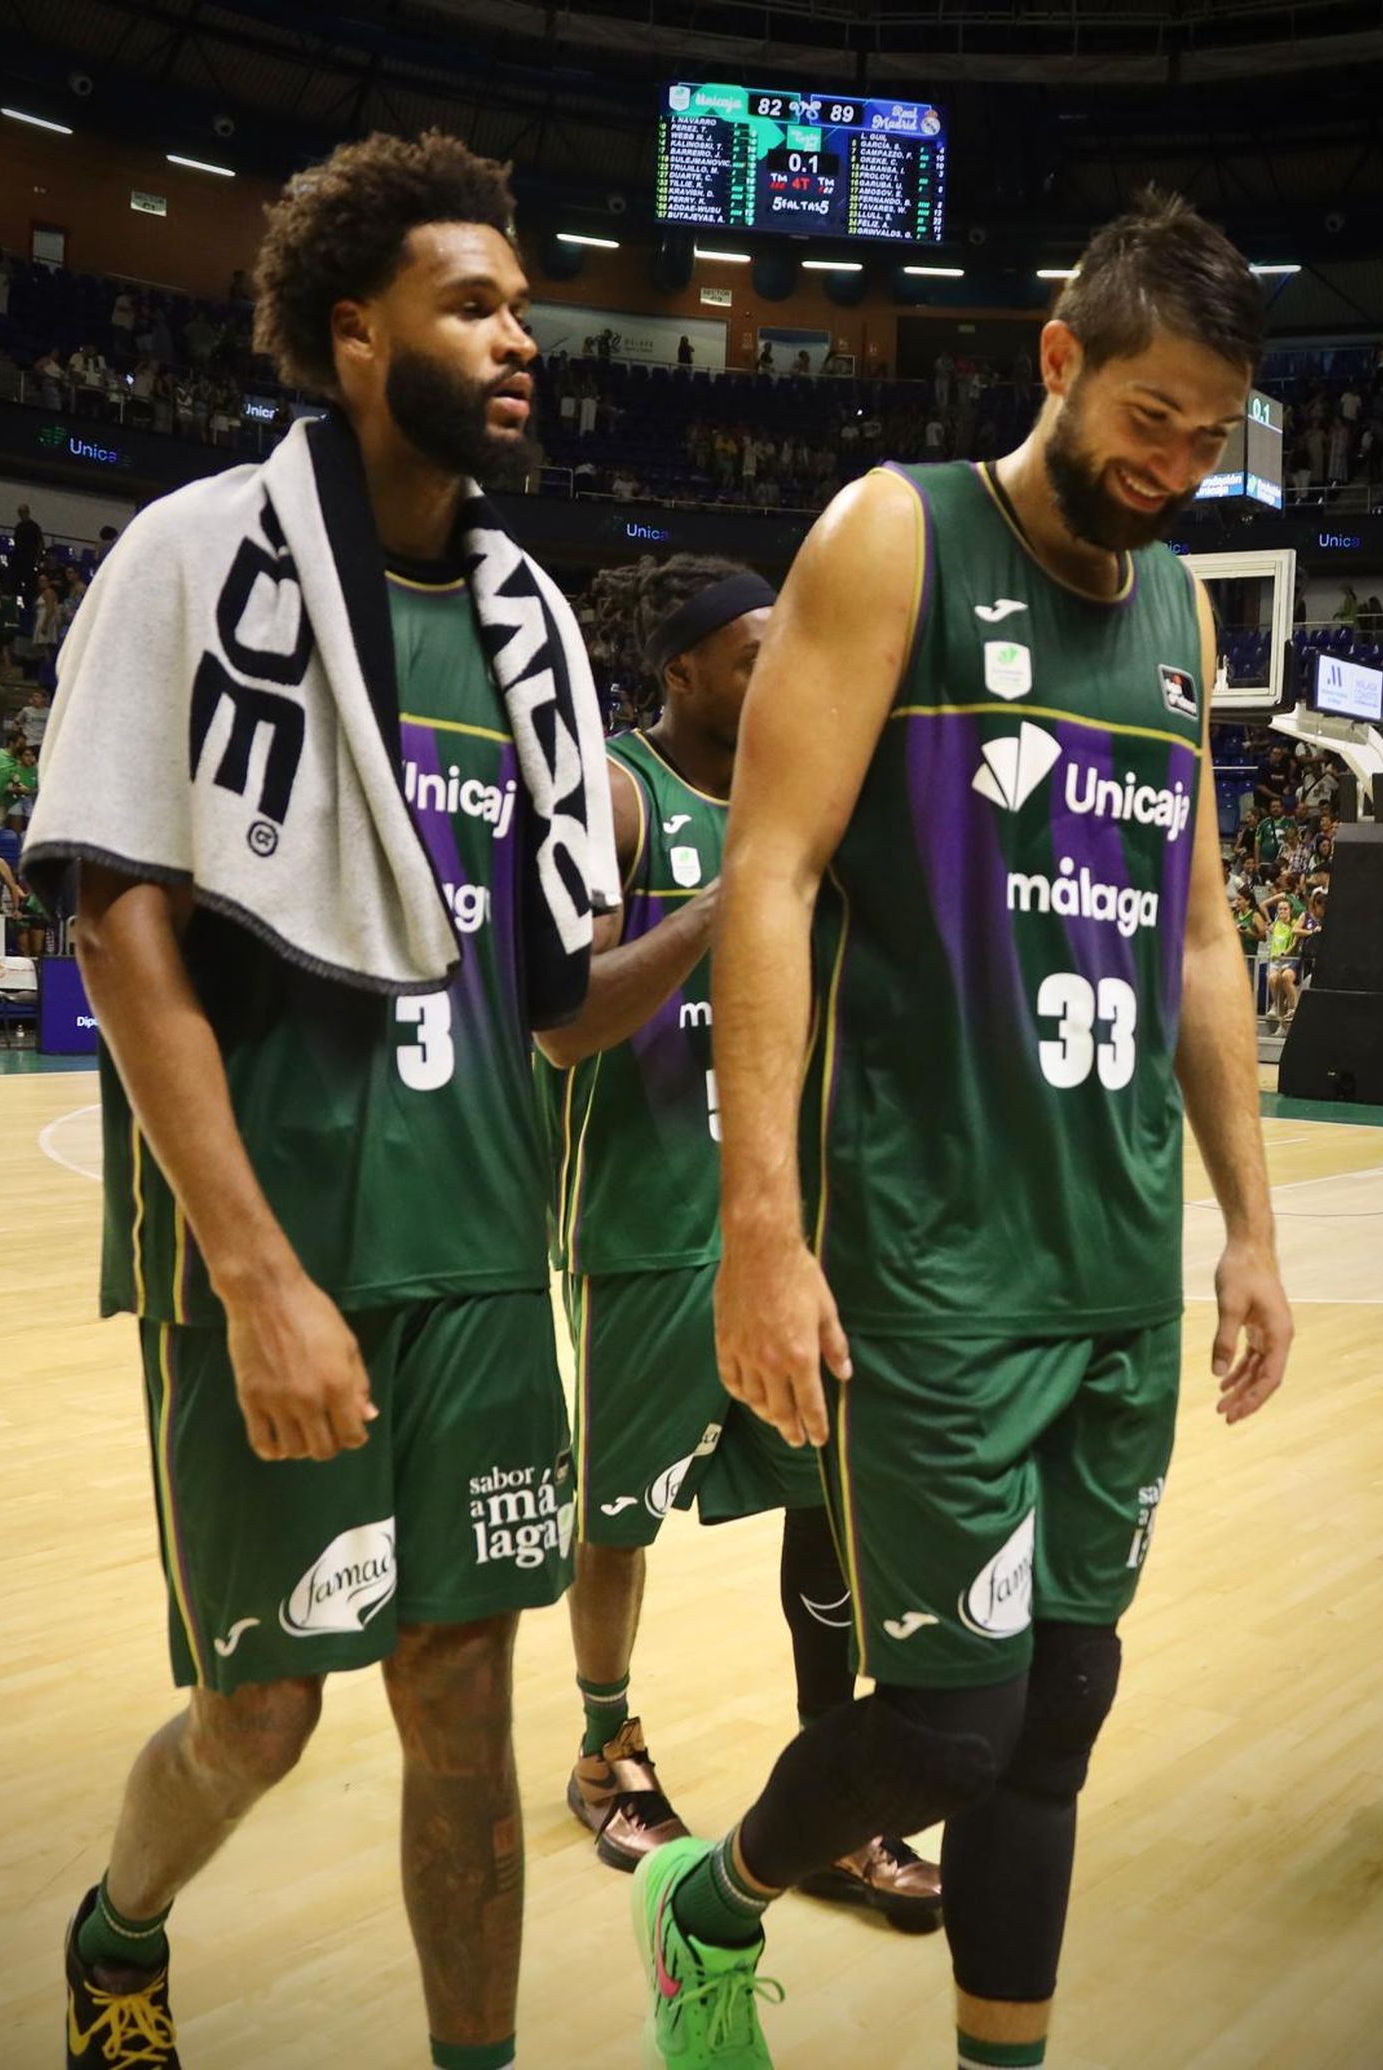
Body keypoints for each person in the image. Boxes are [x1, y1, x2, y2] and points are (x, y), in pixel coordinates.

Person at [632, 188, 1293, 2070]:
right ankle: (709, 1900)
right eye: (1150, 417)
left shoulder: (1179, 611)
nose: (1176, 466)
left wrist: (1250, 1228)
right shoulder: (891, 538)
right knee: (950, 1721)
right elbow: (768, 878)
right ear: (1060, 358)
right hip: (925, 1264)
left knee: (1060, 1715)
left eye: (1209, 437)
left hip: (1114, 1268)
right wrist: (762, 1228)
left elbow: (1201, 937)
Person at [28, 128, 614, 2070]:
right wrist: (257, 1276)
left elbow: (553, 1007)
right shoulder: (193, 559)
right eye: (474, 304)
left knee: (462, 1701)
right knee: (262, 1715)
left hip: (480, 1259)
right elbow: (121, 922)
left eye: (524, 306)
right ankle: (118, 1931)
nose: (520, 337)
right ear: (355, 334)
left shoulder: (535, 632)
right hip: (274, 1254)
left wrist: (752, 896)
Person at [539, 556, 941, 1927]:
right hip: (644, 1222)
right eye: (754, 656)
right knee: (616, 1514)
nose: (783, 675)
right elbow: (565, 1021)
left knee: (831, 1492)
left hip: (786, 1220)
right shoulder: (616, 795)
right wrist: (727, 903)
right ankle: (606, 1747)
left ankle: (834, 1799)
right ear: (685, 670)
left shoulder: (807, 795)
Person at [1265, 898, 1300, 1028]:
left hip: (1288, 960)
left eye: (1285, 909)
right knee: (1272, 979)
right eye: (1280, 909)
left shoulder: (1294, 923)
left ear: (1290, 910)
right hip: (1275, 960)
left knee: (1283, 986)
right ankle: (1275, 1005)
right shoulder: (1276, 924)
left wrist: (1286, 952)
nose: (1282, 911)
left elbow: (1294, 943)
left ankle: (1288, 1013)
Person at [9, 503, 44, 605]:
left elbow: (40, 543)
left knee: (29, 586)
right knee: (15, 583)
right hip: (18, 559)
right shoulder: (19, 526)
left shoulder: (34, 527)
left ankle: (28, 605)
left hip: (29, 560)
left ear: (28, 512)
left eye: (23, 512)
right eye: (20, 512)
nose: (22, 514)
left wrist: (37, 559)